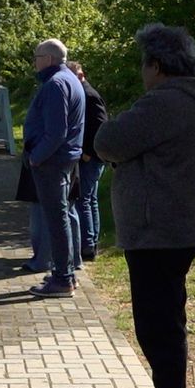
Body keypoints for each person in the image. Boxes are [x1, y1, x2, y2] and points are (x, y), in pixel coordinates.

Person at [95, 24, 195, 388]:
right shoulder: (184, 99)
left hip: (159, 234)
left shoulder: (166, 101)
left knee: (160, 334)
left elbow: (107, 141)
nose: (142, 71)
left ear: (157, 64)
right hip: (168, 231)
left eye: (144, 63)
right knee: (163, 329)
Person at [22, 40, 85, 297]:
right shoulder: (69, 79)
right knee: (61, 218)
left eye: (37, 57)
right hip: (63, 159)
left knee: (56, 220)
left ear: (48, 59)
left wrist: (36, 157)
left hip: (52, 162)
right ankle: (65, 272)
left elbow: (56, 131)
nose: (35, 63)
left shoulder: (56, 84)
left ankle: (63, 279)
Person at [68, 61, 108, 261]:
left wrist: (88, 152)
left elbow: (101, 125)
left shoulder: (89, 95)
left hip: (91, 157)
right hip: (93, 156)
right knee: (89, 200)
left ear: (81, 75)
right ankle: (90, 244)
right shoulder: (85, 93)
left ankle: (87, 245)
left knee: (84, 199)